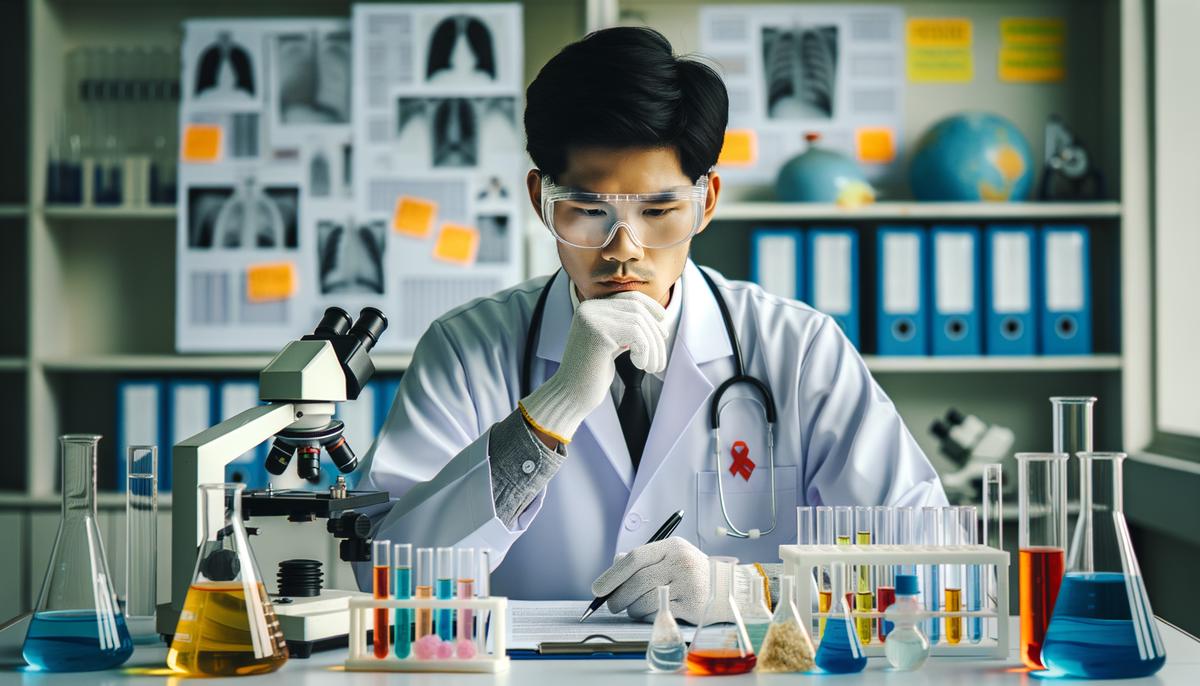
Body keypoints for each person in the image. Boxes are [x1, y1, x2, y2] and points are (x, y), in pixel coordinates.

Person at [356, 27, 946, 623]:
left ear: (706, 202)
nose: (624, 249)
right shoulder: (466, 349)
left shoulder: (798, 349)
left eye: (660, 211)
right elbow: (388, 577)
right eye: (588, 211)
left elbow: (929, 564)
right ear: (540, 200)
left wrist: (746, 591)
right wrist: (555, 408)